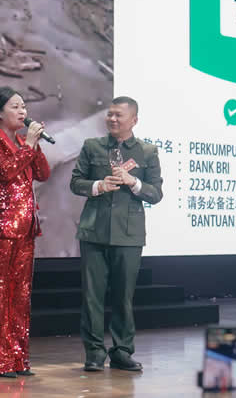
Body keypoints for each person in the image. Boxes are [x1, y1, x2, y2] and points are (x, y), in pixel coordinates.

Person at [69, 96, 163, 373]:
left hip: (129, 234)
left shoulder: (147, 151)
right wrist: (98, 185)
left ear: (134, 120)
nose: (112, 119)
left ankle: (122, 352)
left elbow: (156, 193)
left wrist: (133, 182)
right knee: (92, 297)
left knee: (123, 297)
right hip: (93, 230)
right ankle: (94, 352)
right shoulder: (92, 146)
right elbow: (75, 182)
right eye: (109, 114)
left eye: (118, 115)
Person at [0, 87, 51, 377]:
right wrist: (28, 146)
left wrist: (34, 145)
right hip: (0, 226)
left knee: (21, 296)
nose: (22, 112)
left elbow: (43, 173)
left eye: (24, 107)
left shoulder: (23, 141)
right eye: (15, 107)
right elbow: (4, 173)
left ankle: (19, 358)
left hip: (26, 227)